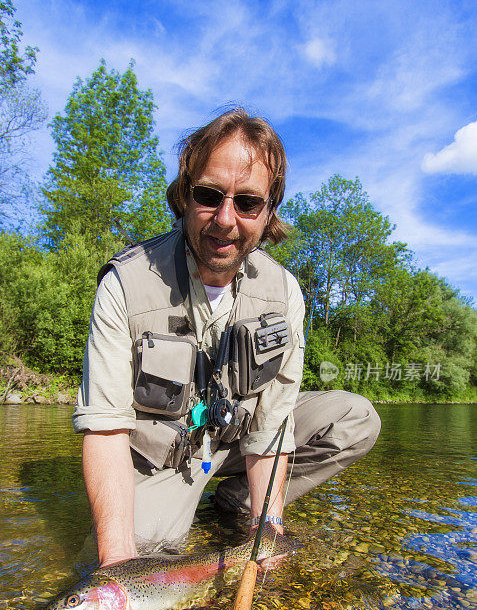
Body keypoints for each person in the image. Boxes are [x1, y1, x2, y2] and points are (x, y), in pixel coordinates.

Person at [73, 108, 381, 567]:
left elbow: (273, 424)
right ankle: (169, 513)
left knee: (355, 417)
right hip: (166, 461)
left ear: (268, 211)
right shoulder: (124, 284)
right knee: (141, 548)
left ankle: (239, 501)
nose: (224, 218)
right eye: (208, 195)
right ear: (184, 195)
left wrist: (267, 527)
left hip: (235, 443)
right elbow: (105, 428)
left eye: (247, 202)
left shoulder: (284, 294)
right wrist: (117, 564)